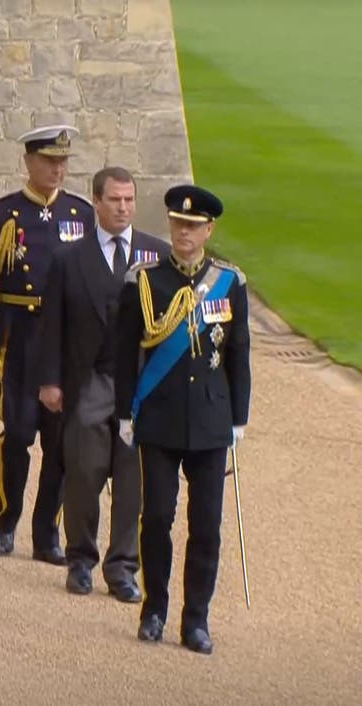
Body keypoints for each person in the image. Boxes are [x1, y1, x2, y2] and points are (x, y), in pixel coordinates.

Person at [116, 185, 250, 655]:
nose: (183, 233)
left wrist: (239, 419)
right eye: (178, 224)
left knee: (206, 526)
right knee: (156, 517)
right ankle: (154, 609)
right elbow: (124, 352)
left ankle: (196, 619)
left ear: (208, 230)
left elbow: (238, 354)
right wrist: (124, 413)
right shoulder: (144, 281)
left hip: (211, 420)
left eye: (192, 226)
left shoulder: (230, 283)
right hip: (160, 416)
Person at [37, 167, 168, 602]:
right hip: (90, 380)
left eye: (129, 199)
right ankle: (80, 559)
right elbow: (51, 325)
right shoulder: (68, 258)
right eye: (115, 199)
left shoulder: (156, 255)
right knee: (84, 473)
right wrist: (50, 381)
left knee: (132, 481)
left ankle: (123, 568)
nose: (123, 207)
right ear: (96, 201)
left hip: (140, 387)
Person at [0, 124, 94, 564]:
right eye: (48, 161)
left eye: (62, 162)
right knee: (19, 433)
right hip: (19, 334)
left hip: (63, 341)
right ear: (28, 161)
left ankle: (47, 533)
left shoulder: (81, 215)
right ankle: (7, 521)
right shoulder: (1, 215)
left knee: (59, 441)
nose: (57, 170)